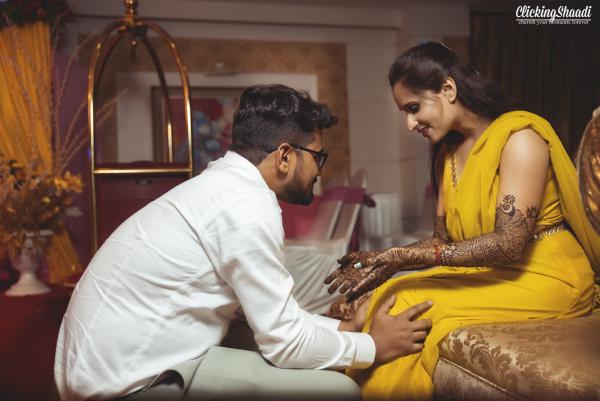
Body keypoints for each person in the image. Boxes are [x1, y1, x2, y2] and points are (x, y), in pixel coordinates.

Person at [54, 84, 433, 401]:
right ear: (285, 156)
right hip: (126, 385)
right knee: (339, 391)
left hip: (106, 368)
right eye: (318, 157)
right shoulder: (246, 205)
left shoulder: (225, 185)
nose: (321, 169)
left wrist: (344, 329)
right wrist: (374, 347)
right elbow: (283, 342)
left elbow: (277, 319)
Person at [325, 42, 600, 400]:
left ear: (448, 89)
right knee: (385, 295)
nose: (410, 124)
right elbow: (442, 241)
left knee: (407, 304)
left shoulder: (520, 138)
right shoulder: (448, 151)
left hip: (550, 276)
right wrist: (380, 260)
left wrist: (401, 259)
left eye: (413, 108)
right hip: (496, 272)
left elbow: (509, 244)